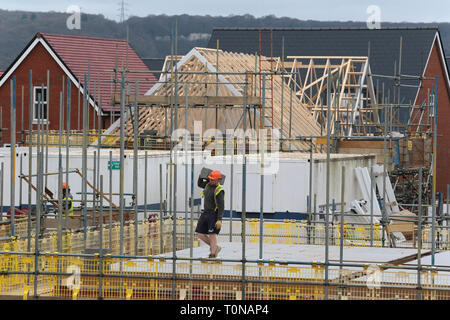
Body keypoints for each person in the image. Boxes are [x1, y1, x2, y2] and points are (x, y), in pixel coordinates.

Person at [196, 170, 224, 258]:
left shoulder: (219, 190)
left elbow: (221, 206)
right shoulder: (207, 185)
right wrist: (201, 175)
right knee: (200, 233)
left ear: (218, 180)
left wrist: (219, 219)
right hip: (205, 213)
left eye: (213, 180)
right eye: (210, 179)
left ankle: (212, 254)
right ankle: (216, 247)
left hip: (213, 214)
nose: (211, 181)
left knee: (212, 234)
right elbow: (200, 183)